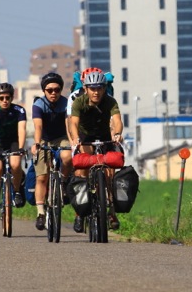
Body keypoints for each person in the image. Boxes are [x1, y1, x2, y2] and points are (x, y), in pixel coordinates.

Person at [68, 69, 124, 232]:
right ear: (85, 89)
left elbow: (117, 121)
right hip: (86, 137)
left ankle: (112, 211)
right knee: (82, 172)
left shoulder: (110, 102)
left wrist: (118, 133)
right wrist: (75, 138)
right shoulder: (79, 102)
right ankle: (80, 214)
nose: (96, 92)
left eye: (99, 88)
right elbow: (73, 123)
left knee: (110, 173)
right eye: (92, 88)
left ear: (104, 88)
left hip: (105, 136)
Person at [31, 72, 73, 231]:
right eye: (49, 90)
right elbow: (38, 127)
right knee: (41, 177)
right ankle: (40, 213)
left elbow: (69, 125)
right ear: (44, 91)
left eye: (57, 89)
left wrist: (73, 142)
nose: (53, 93)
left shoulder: (66, 103)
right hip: (44, 139)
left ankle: (63, 181)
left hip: (62, 137)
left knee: (68, 157)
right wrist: (36, 143)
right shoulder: (38, 105)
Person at [0, 82, 27, 220]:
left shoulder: (19, 111)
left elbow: (22, 129)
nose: (5, 101)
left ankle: (16, 192)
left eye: (7, 98)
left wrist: (21, 148)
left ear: (12, 98)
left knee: (15, 164)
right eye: (1, 98)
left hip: (14, 141)